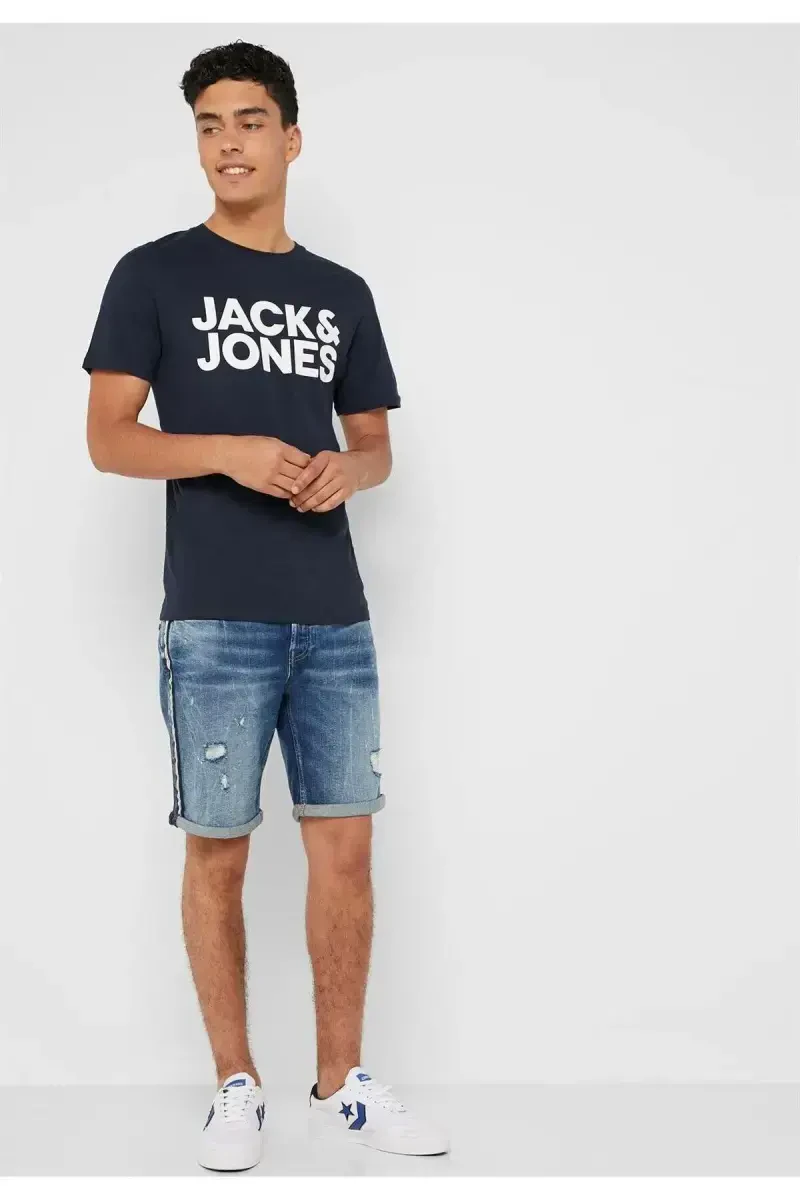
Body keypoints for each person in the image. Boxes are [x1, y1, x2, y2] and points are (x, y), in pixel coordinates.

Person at [81, 39, 449, 1172]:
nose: (227, 143)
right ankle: (234, 1086)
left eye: (247, 122)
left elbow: (376, 442)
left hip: (334, 615)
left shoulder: (341, 293)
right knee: (219, 853)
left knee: (347, 852)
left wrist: (352, 470)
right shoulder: (151, 275)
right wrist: (230, 450)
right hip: (213, 618)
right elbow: (108, 440)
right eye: (208, 124)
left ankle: (341, 1086)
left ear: (290, 139)